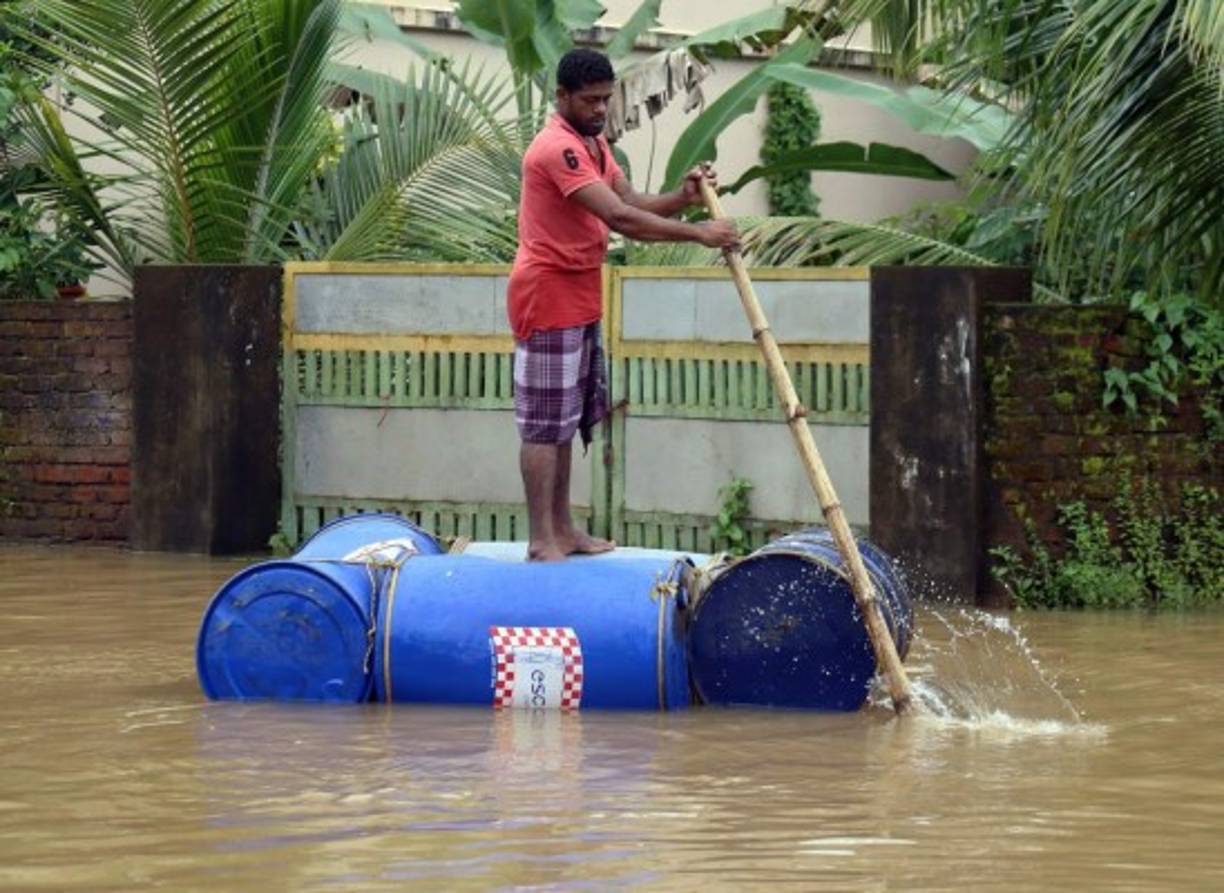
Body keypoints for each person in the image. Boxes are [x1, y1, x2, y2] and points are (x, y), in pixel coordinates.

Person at [508, 47, 740, 562]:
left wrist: (682, 198)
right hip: (546, 296)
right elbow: (621, 219)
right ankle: (542, 537)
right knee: (545, 423)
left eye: (606, 100)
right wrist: (701, 233)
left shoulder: (592, 145)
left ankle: (565, 530)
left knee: (568, 420)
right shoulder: (556, 149)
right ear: (562, 97)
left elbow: (632, 200)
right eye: (590, 101)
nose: (599, 110)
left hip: (581, 295)